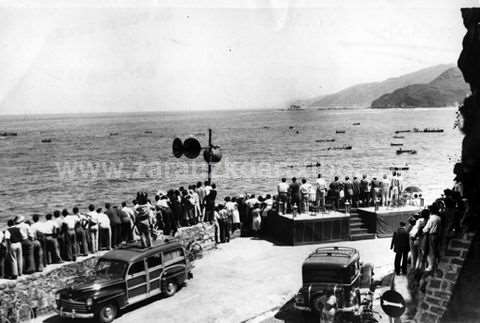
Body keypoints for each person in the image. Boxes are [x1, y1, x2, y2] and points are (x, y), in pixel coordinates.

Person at [423, 204, 442, 271]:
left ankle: (431, 266)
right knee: (435, 249)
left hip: (431, 235)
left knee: (431, 251)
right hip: (437, 235)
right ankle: (436, 263)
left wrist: (423, 230)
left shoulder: (432, 219)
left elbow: (426, 229)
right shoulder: (439, 218)